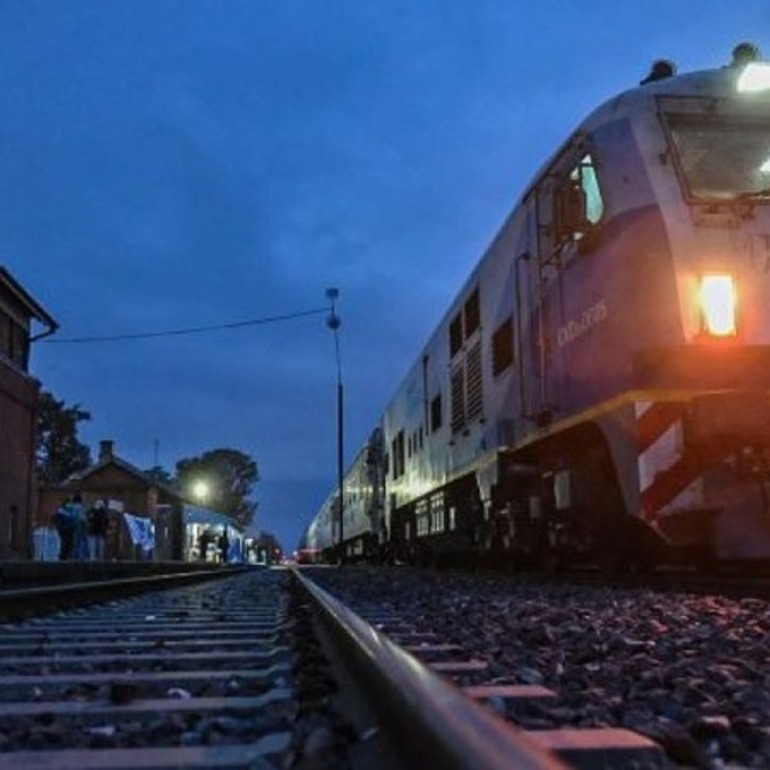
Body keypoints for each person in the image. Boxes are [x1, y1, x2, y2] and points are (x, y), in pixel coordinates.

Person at [71, 493, 89, 561]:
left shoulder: (73, 507)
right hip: (83, 524)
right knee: (83, 541)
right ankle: (83, 556)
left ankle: (75, 556)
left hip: (76, 525)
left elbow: (72, 517)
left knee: (76, 541)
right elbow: (84, 518)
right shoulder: (82, 507)